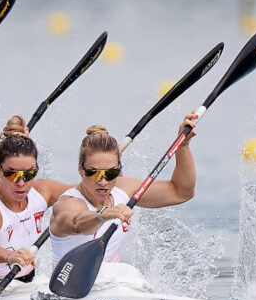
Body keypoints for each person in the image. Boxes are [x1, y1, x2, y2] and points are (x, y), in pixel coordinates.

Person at [48, 114, 198, 269]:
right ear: (80, 169)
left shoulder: (123, 189)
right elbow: (77, 223)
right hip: (67, 287)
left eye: (111, 173)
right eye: (94, 173)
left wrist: (183, 147)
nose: (103, 181)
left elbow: (182, 191)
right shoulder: (68, 203)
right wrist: (103, 214)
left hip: (113, 284)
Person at [0, 116, 71, 284]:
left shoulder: (43, 191)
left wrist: (106, 170)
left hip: (26, 285)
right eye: (12, 174)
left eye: (29, 174)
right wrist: (9, 256)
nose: (21, 183)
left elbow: (86, 194)